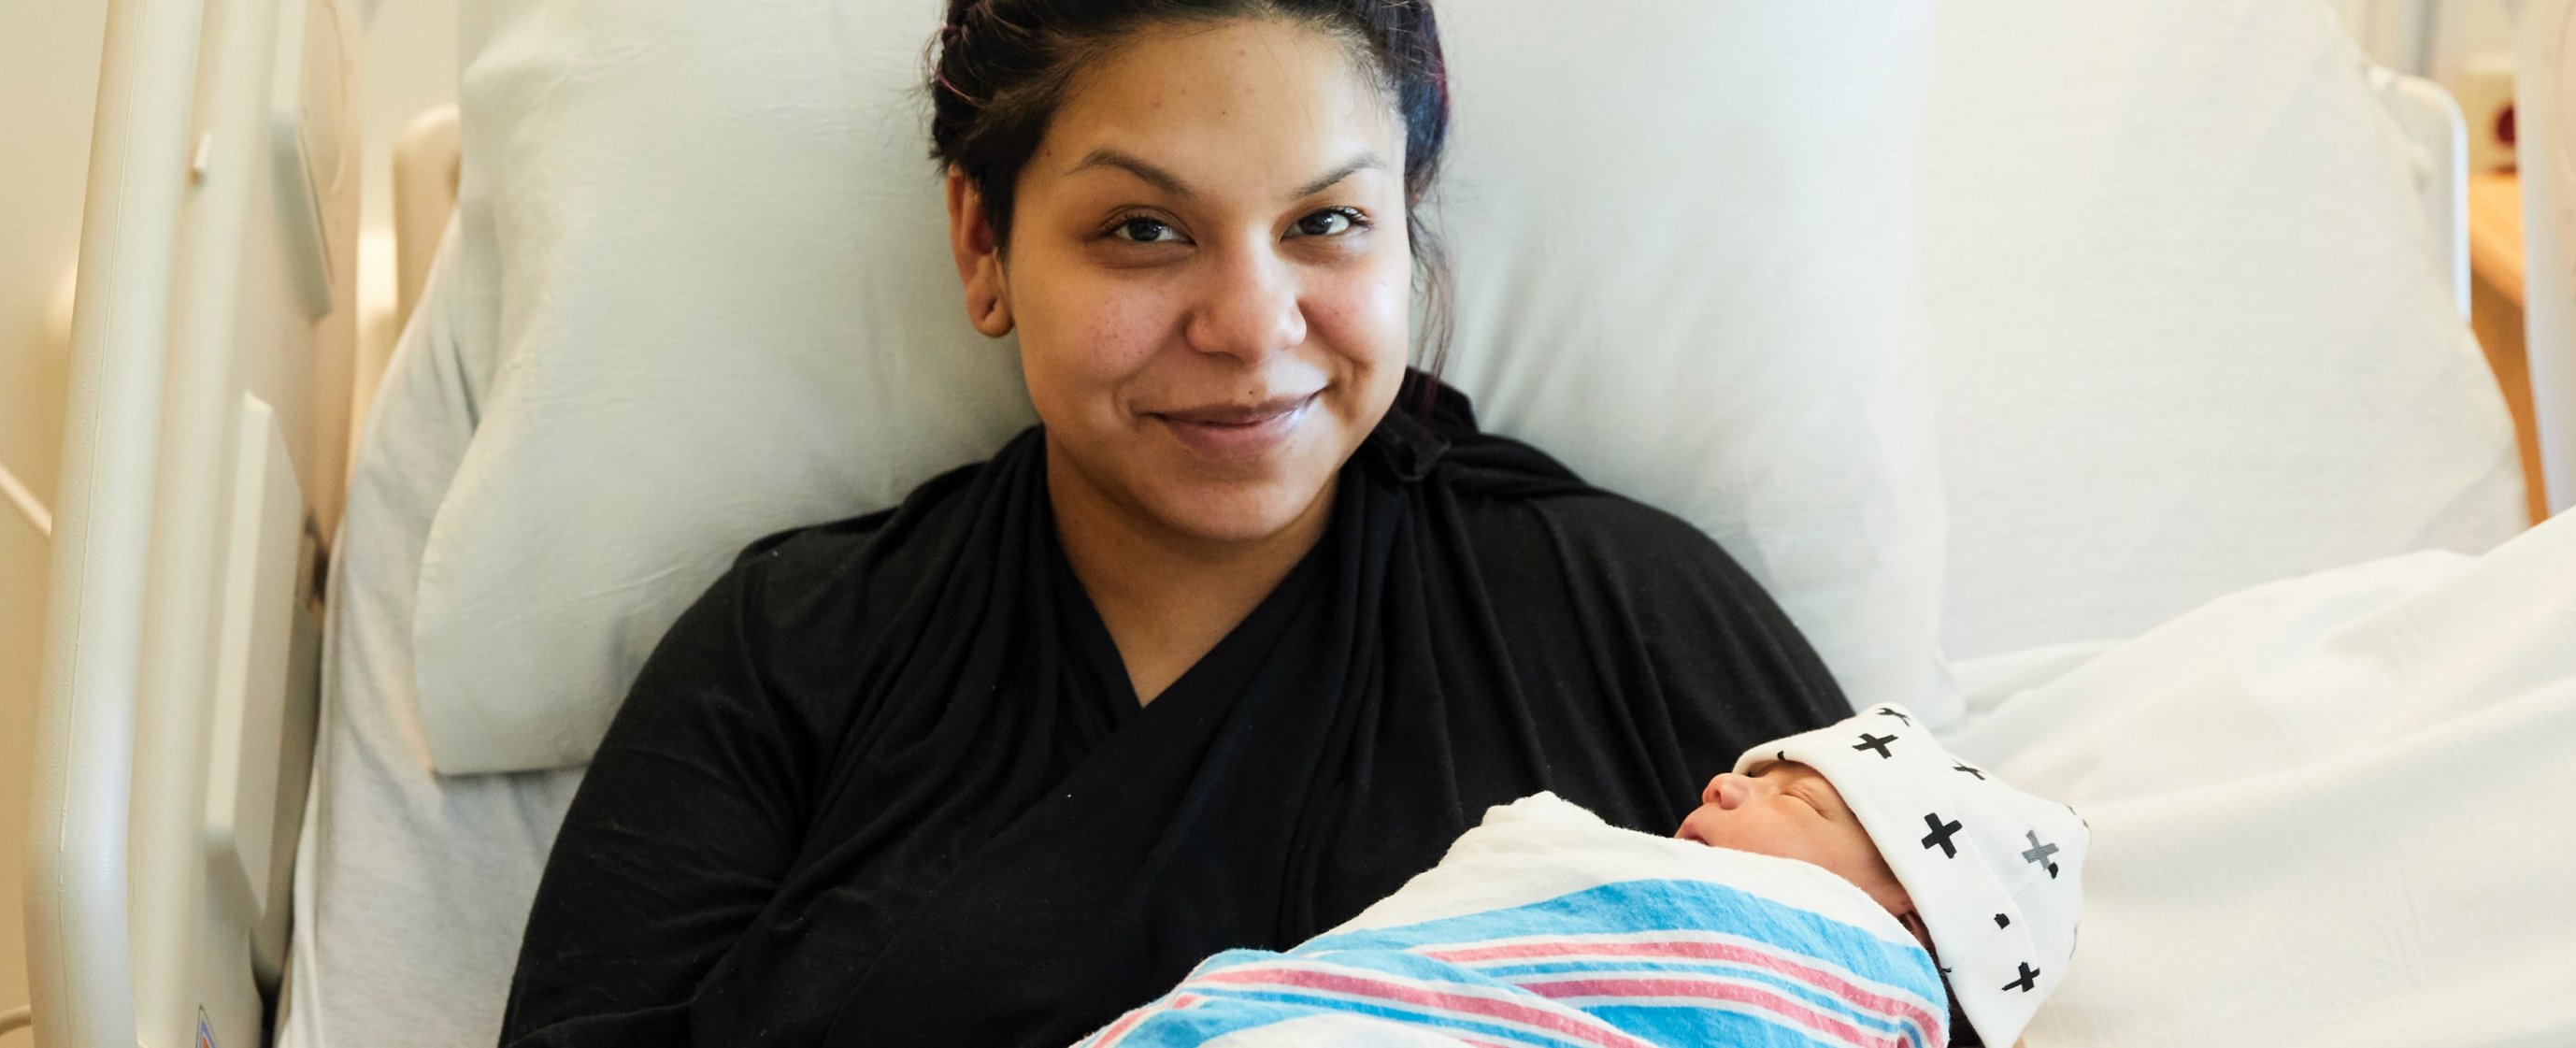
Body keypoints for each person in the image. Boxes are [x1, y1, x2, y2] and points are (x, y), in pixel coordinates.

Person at [498, 1, 1854, 1043]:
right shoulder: (789, 659)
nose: (1250, 330)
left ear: (1404, 230)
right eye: (1143, 231)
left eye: (1325, 221)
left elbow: (1901, 991)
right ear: (983, 244)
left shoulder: (1630, 616)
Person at [1074, 706, 2088, 1047]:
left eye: (1799, 798)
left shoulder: (1854, 975)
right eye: (1742, 773)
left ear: (1908, 899)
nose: (1726, 786)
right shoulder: (1604, 887)